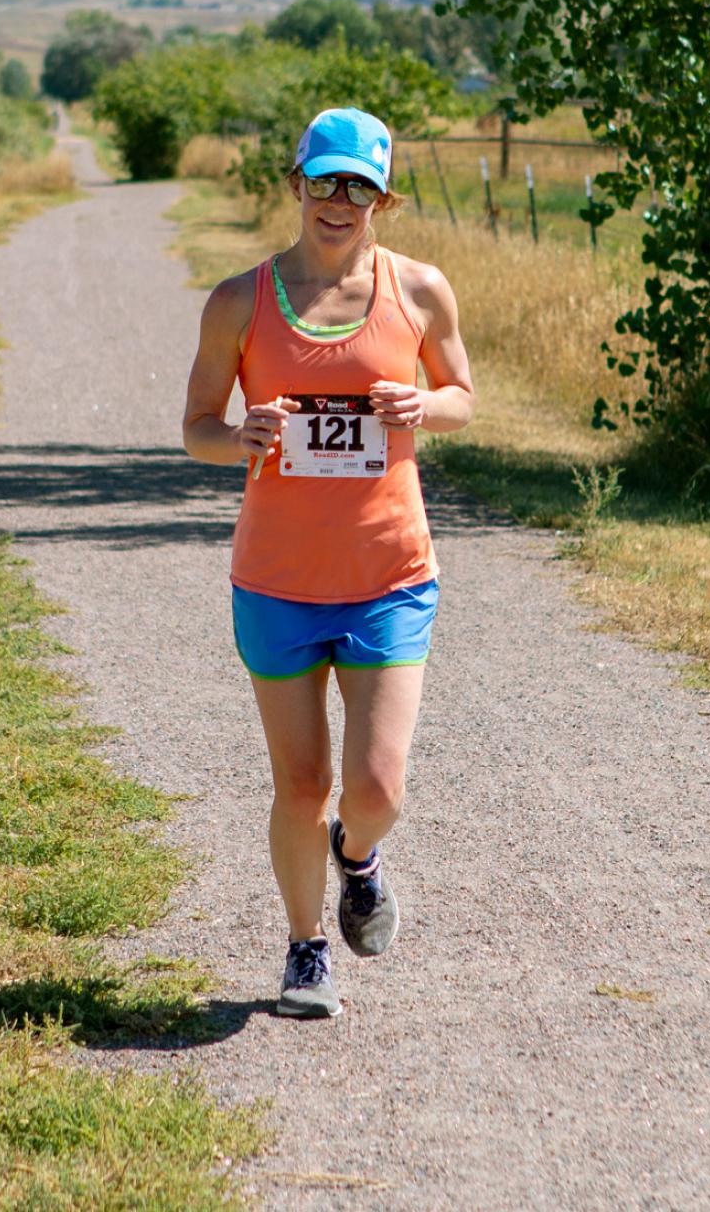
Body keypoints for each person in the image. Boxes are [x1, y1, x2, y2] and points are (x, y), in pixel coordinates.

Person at [181, 107, 475, 1018]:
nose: (338, 202)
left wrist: (422, 406)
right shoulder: (239, 301)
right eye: (323, 181)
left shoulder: (420, 292)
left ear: (383, 198)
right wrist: (242, 440)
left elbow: (464, 394)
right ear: (296, 183)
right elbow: (195, 429)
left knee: (377, 787)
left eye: (358, 186)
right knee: (301, 783)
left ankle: (360, 857)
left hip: (390, 572)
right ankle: (307, 949)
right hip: (276, 580)